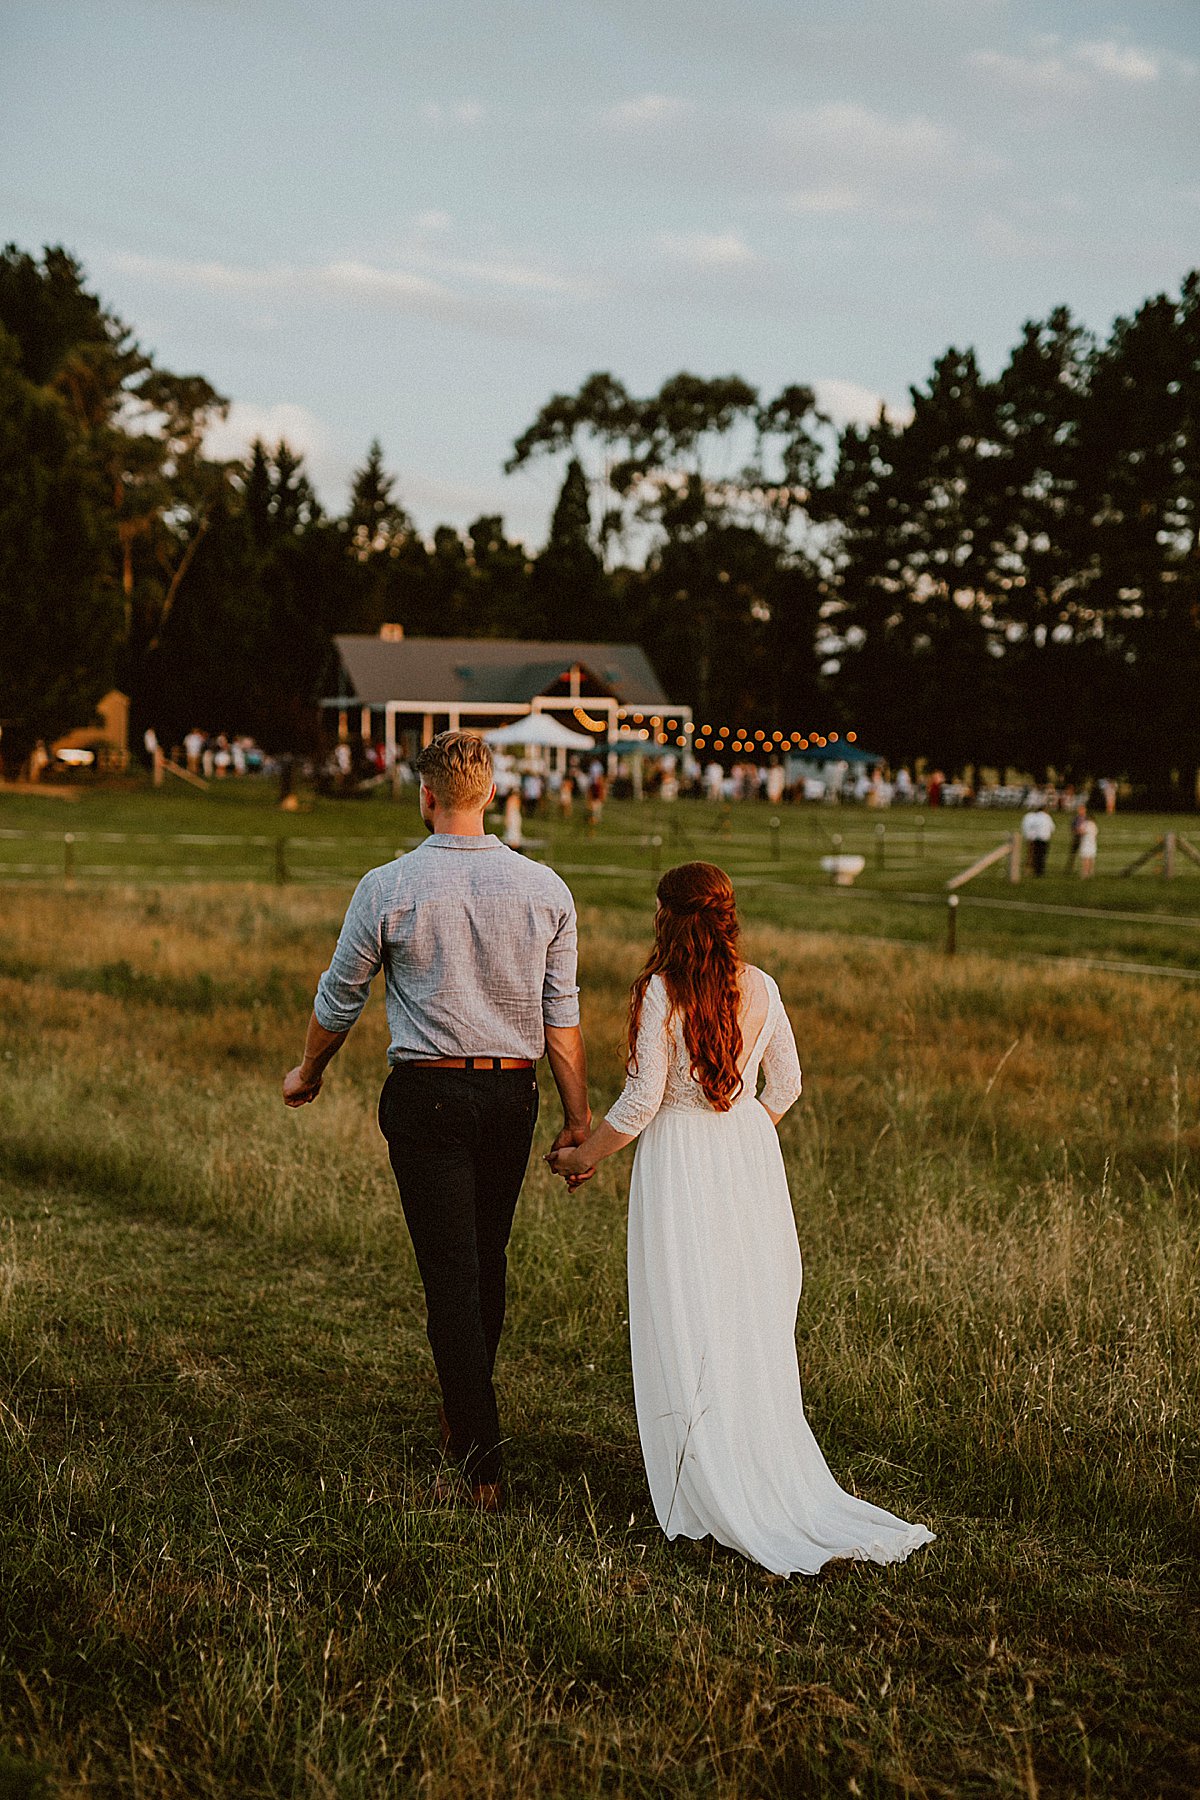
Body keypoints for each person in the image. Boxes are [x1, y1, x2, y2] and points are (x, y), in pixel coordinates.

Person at [547, 862, 935, 1577]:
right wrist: (745, 1134)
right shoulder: (763, 987)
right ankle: (740, 1455)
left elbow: (639, 1105)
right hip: (749, 1161)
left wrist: (582, 1159)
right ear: (727, 917)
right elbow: (785, 1083)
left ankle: (710, 1479)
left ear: (668, 917)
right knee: (743, 1312)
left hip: (680, 1165)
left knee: (690, 1311)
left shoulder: (660, 991)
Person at [282, 731, 591, 1513]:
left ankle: (482, 1460)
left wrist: (308, 1070)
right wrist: (579, 1117)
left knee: (453, 1270)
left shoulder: (389, 885)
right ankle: (464, 1416)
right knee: (485, 1258)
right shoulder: (546, 888)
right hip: (512, 1097)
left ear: (424, 796)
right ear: (489, 795)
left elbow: (339, 996)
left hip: (427, 1096)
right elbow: (562, 1020)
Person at [1021, 801, 1055, 876]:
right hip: (1044, 839)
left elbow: (1031, 827)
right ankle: (1039, 871)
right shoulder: (1046, 817)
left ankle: (1030, 870)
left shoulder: (1033, 817)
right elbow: (1052, 828)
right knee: (1041, 855)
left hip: (1034, 838)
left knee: (1032, 855)